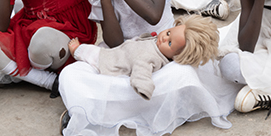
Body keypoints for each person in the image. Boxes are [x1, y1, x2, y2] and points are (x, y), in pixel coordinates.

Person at [58, 0, 238, 136]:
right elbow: (115, 43)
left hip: (167, 54)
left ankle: (107, 109)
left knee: (179, 76)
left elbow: (153, 14)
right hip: (125, 57)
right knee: (71, 74)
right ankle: (129, 104)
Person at [67, 14, 219, 100]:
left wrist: (144, 88)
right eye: (168, 33)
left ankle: (77, 50)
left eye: (170, 43)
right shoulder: (158, 46)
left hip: (110, 62)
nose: (164, 38)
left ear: (178, 56)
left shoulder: (149, 58)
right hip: (120, 52)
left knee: (92, 53)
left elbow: (141, 71)